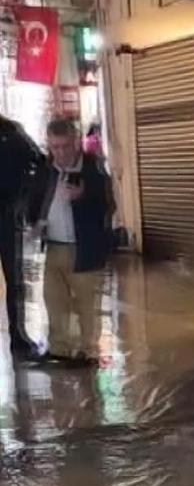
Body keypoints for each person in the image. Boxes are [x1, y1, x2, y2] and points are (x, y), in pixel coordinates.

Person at [28, 118, 114, 366]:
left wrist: (83, 196)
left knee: (87, 304)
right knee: (54, 301)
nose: (60, 153)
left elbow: (109, 205)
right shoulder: (46, 168)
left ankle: (90, 352)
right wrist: (34, 221)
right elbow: (34, 198)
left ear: (76, 142)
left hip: (84, 247)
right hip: (53, 246)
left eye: (65, 146)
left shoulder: (93, 168)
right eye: (54, 147)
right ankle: (60, 350)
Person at [0, 115, 45, 358]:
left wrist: (24, 200)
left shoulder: (12, 131)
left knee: (15, 281)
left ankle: (18, 338)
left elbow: (39, 161)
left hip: (7, 216)